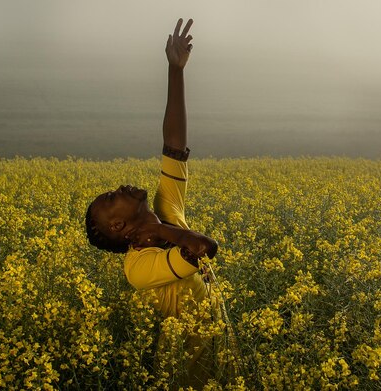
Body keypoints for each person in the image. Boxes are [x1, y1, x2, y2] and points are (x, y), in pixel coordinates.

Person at [84, 18, 227, 388]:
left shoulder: (167, 208)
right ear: (118, 227)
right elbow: (203, 248)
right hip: (189, 374)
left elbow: (174, 145)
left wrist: (174, 71)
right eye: (111, 198)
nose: (119, 188)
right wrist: (162, 229)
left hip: (222, 353)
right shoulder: (139, 267)